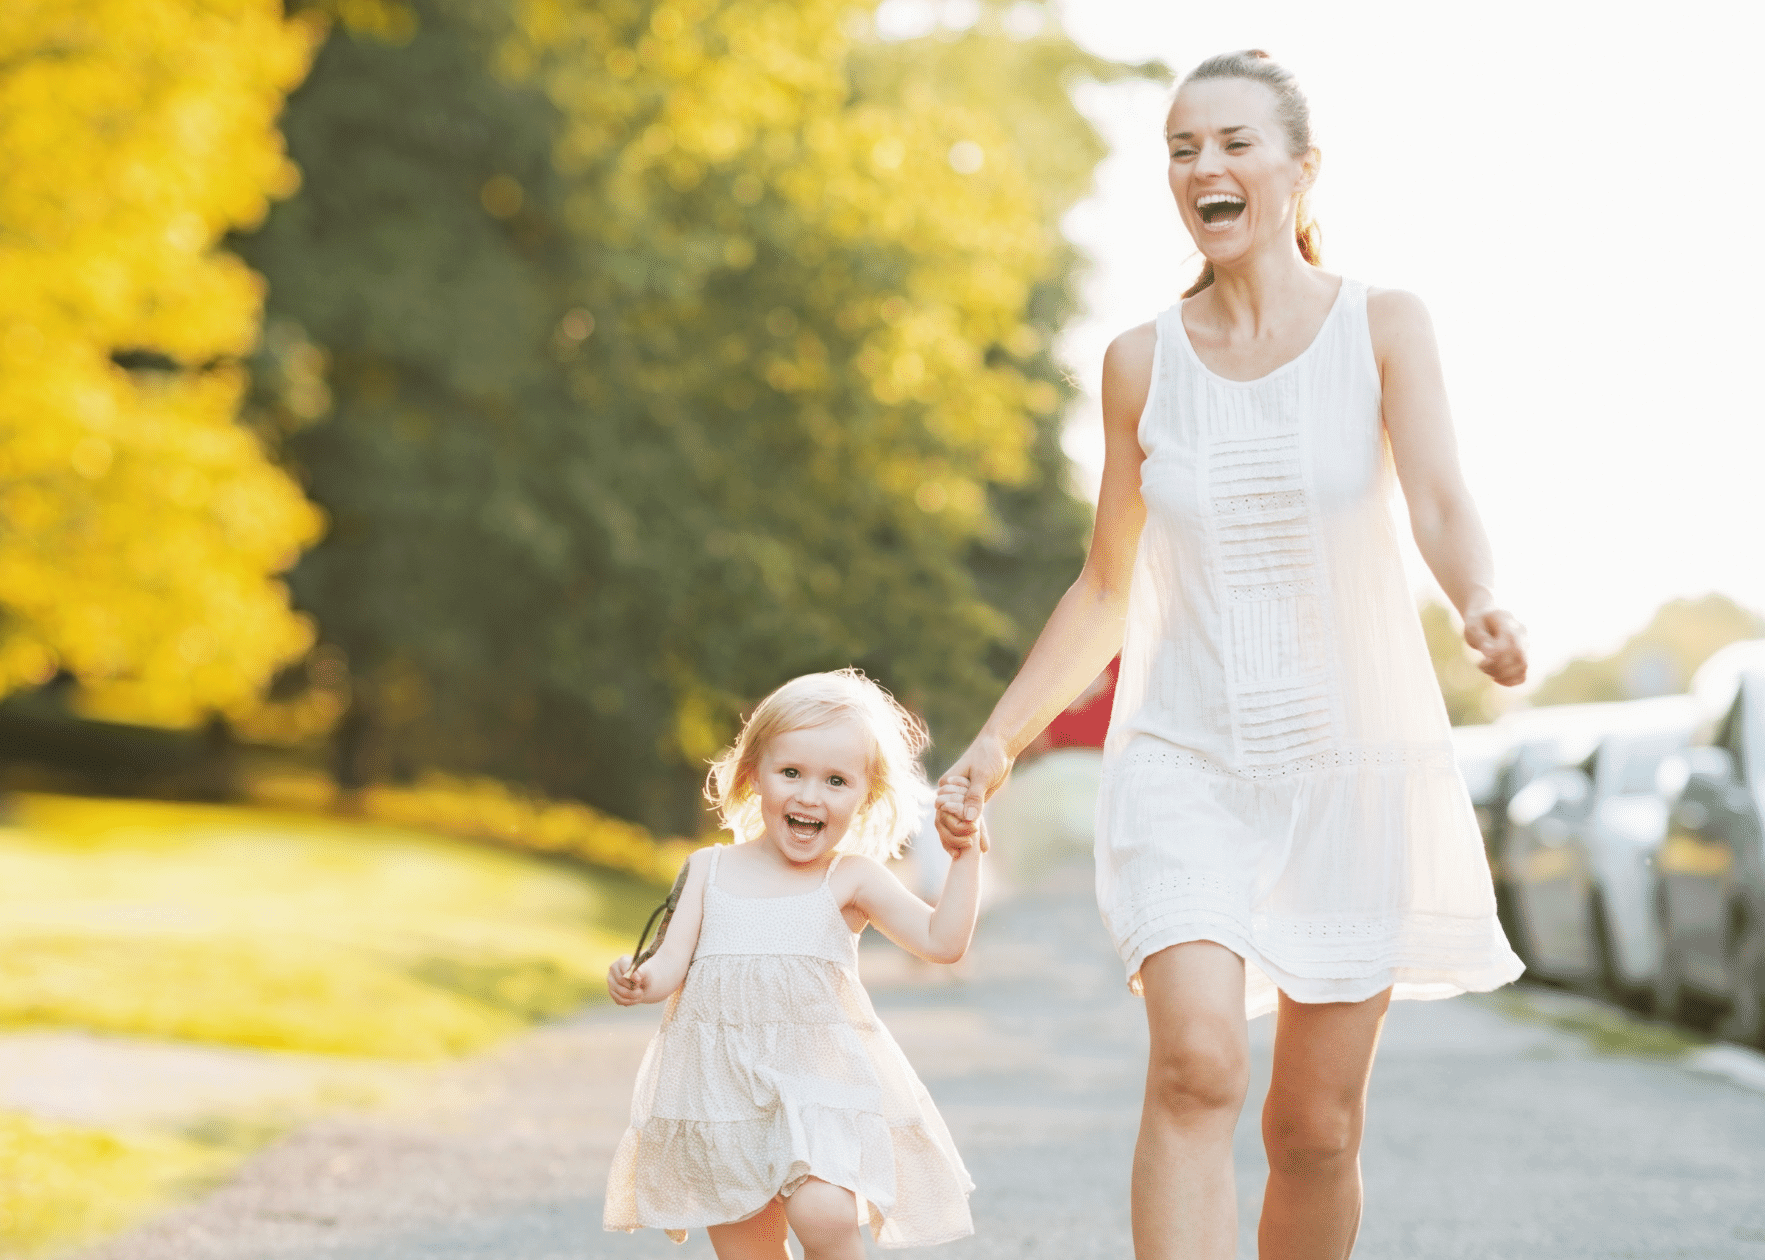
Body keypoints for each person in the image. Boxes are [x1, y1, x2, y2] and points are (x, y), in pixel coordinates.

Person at [934, 50, 1528, 1260]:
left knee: (1312, 1127)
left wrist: (1478, 599)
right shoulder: (1138, 365)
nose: (1203, 166)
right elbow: (1107, 585)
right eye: (1180, 147)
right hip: (1186, 761)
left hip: (1348, 764)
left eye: (1232, 144)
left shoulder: (1380, 325)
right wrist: (996, 743)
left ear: (1300, 172)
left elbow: (1438, 497)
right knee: (1196, 1065)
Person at [604, 669, 982, 1257]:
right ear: (753, 773)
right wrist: (637, 979)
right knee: (747, 1247)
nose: (810, 796)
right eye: (791, 773)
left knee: (828, 1218)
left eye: (836, 781)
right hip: (723, 1099)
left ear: (867, 794)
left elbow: (942, 940)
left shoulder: (849, 877)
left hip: (817, 1089)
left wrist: (964, 858)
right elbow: (669, 965)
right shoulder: (709, 869)